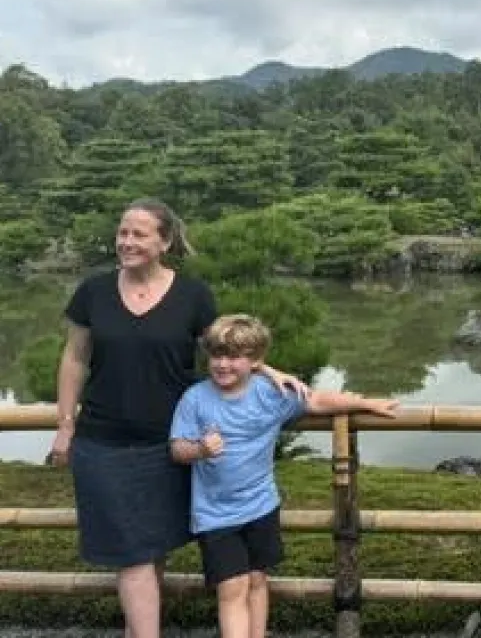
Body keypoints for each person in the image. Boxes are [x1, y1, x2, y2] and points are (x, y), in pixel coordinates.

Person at [46, 198, 309, 638]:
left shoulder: (192, 295)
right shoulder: (93, 291)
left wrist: (270, 370)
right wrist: (64, 424)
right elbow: (74, 358)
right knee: (132, 555)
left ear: (165, 241)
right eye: (122, 232)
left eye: (139, 234)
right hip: (103, 442)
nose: (126, 242)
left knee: (152, 551)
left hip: (171, 446)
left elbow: (227, 348)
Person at [168, 313, 399, 638]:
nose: (223, 364)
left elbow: (317, 399)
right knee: (231, 587)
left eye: (234, 357)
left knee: (258, 580)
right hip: (216, 514)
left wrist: (364, 402)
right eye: (217, 355)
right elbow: (177, 449)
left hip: (261, 506)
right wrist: (200, 451)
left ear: (256, 361)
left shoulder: (270, 394)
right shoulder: (195, 399)